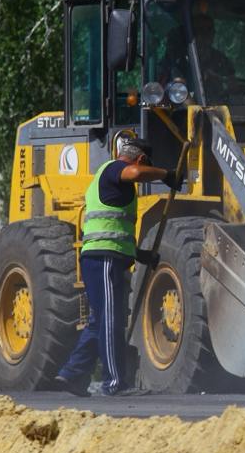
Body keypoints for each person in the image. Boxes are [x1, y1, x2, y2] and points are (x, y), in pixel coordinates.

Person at [53, 133, 184, 397]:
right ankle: (115, 383)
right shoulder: (115, 169)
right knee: (111, 319)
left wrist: (140, 254)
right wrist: (165, 174)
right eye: (145, 164)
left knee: (98, 321)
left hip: (104, 257)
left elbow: (114, 229)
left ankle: (72, 374)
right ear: (140, 158)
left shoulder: (109, 179)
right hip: (103, 259)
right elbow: (135, 173)